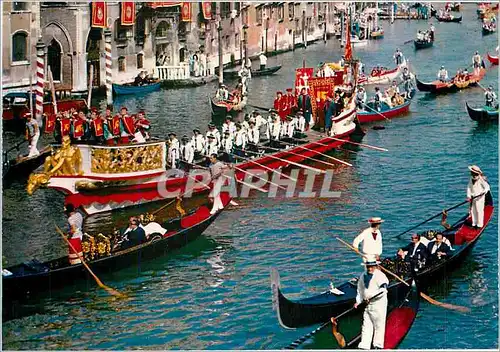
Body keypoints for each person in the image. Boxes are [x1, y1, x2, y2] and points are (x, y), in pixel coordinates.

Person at [353, 257, 389, 350]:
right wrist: (358, 301)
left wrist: (370, 297)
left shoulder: (380, 276)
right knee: (366, 325)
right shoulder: (362, 276)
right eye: (368, 266)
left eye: (372, 266)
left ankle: (378, 346)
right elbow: (360, 291)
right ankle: (364, 346)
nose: (370, 268)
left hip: (378, 305)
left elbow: (383, 290)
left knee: (379, 325)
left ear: (375, 266)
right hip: (367, 305)